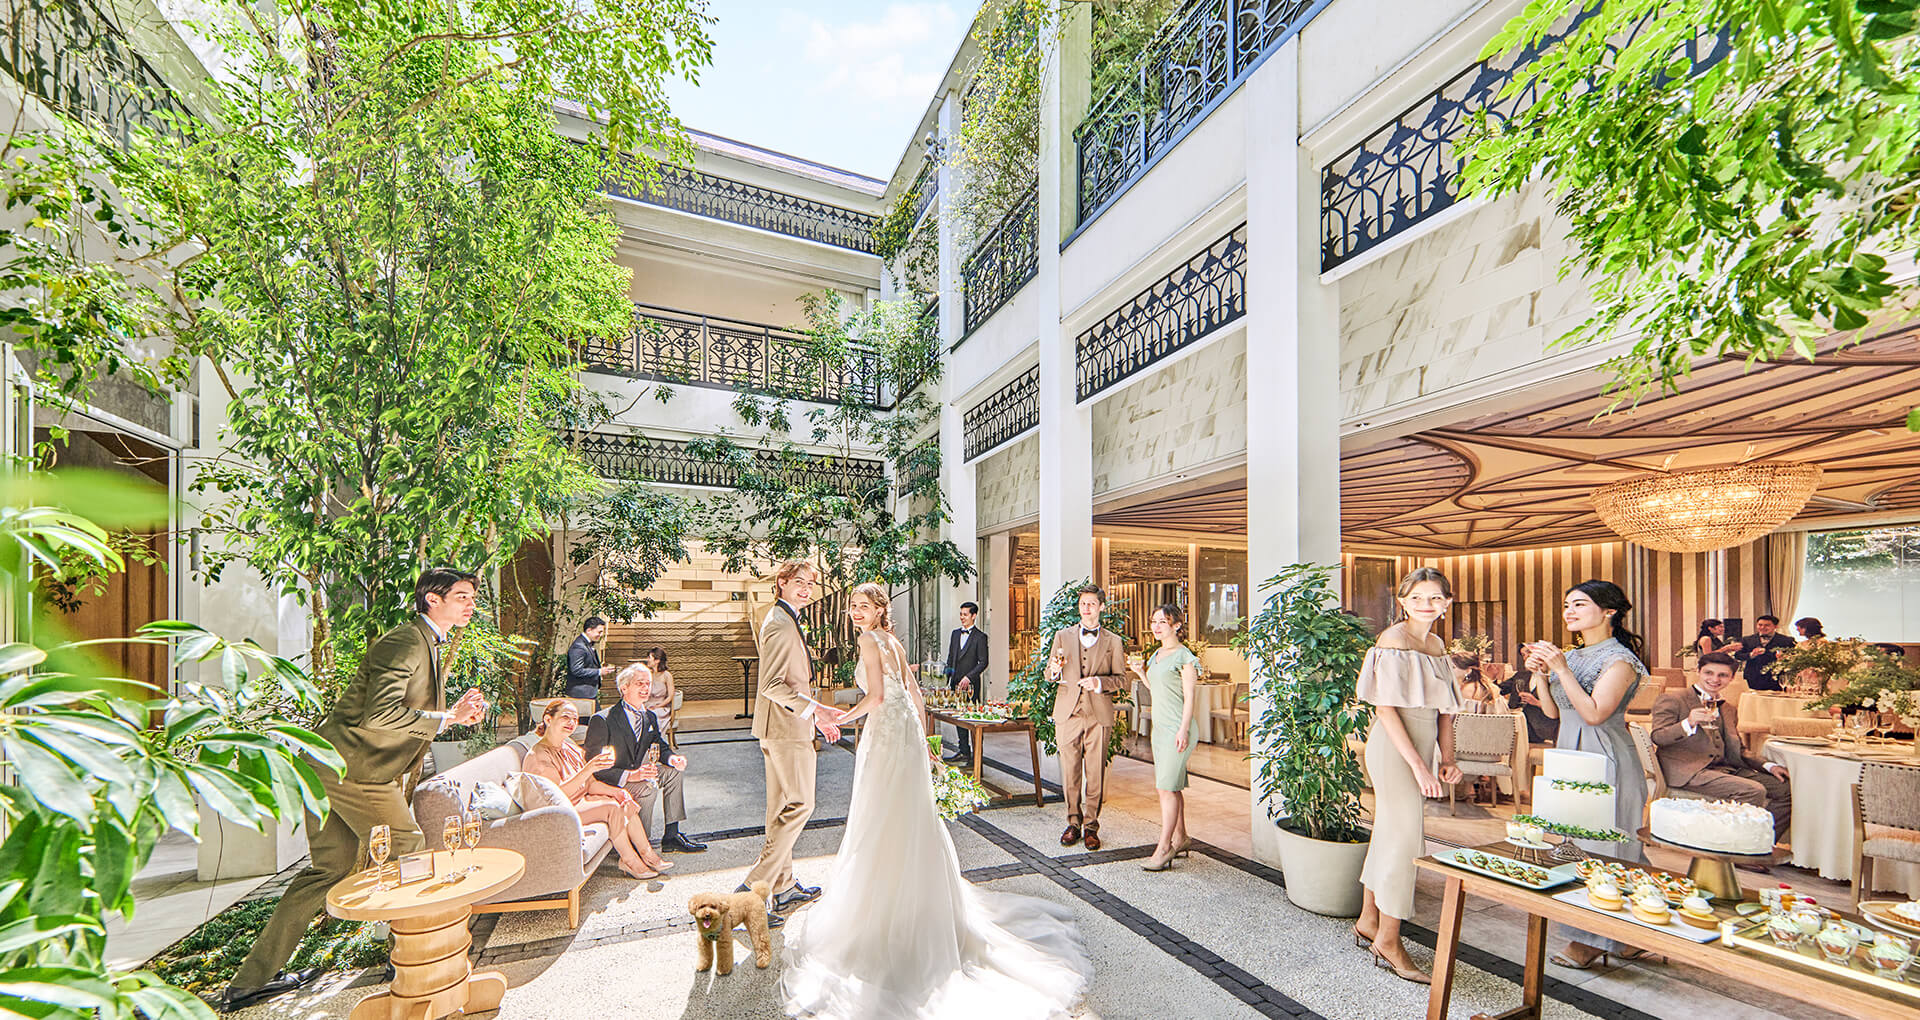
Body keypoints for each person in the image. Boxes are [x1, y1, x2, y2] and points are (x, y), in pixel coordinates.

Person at [780, 583, 1090, 1019]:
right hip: (904, 732)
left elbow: (877, 697)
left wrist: (836, 719)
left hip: (886, 736)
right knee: (909, 812)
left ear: (879, 610)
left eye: (863, 606)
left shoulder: (870, 641)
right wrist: (926, 742)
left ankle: (886, 907)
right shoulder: (892, 641)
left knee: (881, 814)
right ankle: (921, 900)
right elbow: (914, 695)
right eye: (852, 606)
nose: (855, 612)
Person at [222, 569, 490, 1010]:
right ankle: (411, 960)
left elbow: (400, 714)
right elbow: (380, 715)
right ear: (432, 599)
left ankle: (249, 982)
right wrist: (448, 718)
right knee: (408, 845)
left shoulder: (424, 642)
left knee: (329, 871)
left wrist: (452, 715)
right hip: (353, 770)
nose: (471, 604)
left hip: (329, 766)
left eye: (471, 597)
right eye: (461, 596)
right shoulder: (407, 641)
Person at [1523, 579, 1656, 970]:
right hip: (1569, 753)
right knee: (1576, 845)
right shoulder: (1572, 655)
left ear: (1609, 611)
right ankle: (1632, 933)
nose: (1569, 611)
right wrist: (1542, 675)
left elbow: (1596, 714)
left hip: (1605, 756)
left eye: (1579, 604)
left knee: (1605, 847)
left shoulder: (1620, 660)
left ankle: (1592, 939)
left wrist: (1561, 669)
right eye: (1567, 604)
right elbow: (1553, 712)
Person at [1354, 567, 1464, 985]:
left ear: (1447, 602)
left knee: (1389, 833)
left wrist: (1446, 757)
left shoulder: (1437, 645)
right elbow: (1385, 709)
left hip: (1422, 743)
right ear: (1402, 601)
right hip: (1393, 746)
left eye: (1435, 597)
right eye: (1416, 597)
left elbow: (1445, 712)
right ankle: (1388, 939)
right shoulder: (1393, 640)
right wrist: (1419, 766)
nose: (1426, 605)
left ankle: (1369, 920)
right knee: (1405, 840)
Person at [744, 561, 844, 929]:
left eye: (811, 584)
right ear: (782, 582)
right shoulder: (780, 623)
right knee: (802, 804)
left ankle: (783, 887)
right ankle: (752, 890)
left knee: (780, 811)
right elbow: (772, 685)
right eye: (799, 582)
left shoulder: (784, 618)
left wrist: (813, 714)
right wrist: (816, 710)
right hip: (786, 729)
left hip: (781, 727)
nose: (806, 589)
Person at [1649, 652, 1791, 843]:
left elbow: (1738, 749)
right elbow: (1658, 737)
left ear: (1731, 678)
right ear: (1698, 671)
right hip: (1688, 770)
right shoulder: (1673, 699)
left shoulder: (1728, 708)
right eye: (1709, 673)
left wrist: (1769, 766)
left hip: (1724, 768)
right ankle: (1733, 846)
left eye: (1722, 675)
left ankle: (1762, 842)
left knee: (1787, 790)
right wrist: (1688, 723)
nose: (1715, 679)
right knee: (1753, 790)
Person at [525, 700, 672, 878]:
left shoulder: (569, 747)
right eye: (565, 717)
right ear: (548, 719)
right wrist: (589, 769)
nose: (571, 722)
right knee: (612, 808)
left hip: (581, 800)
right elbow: (558, 795)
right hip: (561, 810)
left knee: (622, 800)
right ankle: (629, 860)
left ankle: (648, 854)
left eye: (575, 719)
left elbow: (591, 784)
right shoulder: (539, 755)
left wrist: (618, 792)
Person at [584, 663, 706, 854]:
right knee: (648, 787)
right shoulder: (603, 719)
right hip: (612, 780)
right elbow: (593, 766)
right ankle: (641, 844)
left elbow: (659, 745)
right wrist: (631, 775)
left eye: (648, 683)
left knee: (673, 772)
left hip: (637, 773)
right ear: (624, 687)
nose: (645, 688)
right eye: (639, 683)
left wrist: (672, 759)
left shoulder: (649, 716)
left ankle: (671, 836)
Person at [1047, 584, 1127, 852]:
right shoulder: (1062, 636)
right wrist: (1054, 670)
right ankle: (1073, 822)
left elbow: (1122, 679)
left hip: (1098, 715)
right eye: (1083, 603)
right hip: (1068, 713)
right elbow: (1050, 674)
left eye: (1092, 603)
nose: (1086, 608)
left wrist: (1099, 682)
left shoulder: (1113, 641)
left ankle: (1091, 826)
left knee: (1095, 773)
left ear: (1101, 607)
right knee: (1070, 772)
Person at [1128, 604, 1199, 872]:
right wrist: (1140, 673)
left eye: (1162, 621)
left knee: (1165, 788)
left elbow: (1190, 698)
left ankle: (1164, 847)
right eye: (1153, 621)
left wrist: (1183, 730)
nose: (1156, 626)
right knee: (1172, 785)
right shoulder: (1157, 654)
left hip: (1177, 728)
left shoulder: (1185, 657)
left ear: (1176, 625)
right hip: (1160, 729)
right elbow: (1157, 690)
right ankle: (1181, 838)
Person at [941, 601, 990, 763]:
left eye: (965, 614)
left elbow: (983, 662)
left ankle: (977, 756)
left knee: (973, 719)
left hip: (971, 685)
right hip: (955, 683)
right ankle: (963, 751)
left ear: (974, 616)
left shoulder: (980, 637)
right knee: (958, 718)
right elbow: (951, 658)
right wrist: (946, 680)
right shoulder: (955, 634)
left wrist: (969, 677)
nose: (962, 617)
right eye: (961, 614)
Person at [1498, 663, 1558, 745]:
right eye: (1525, 656)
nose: (1527, 657)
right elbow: (1499, 690)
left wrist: (1536, 702)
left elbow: (1560, 708)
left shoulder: (1554, 677)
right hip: (1516, 728)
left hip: (1543, 731)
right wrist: (1492, 678)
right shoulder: (1520, 675)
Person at [1737, 615, 1795, 692]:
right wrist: (1751, 654)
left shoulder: (1787, 640)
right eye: (1760, 625)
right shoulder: (1747, 639)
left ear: (1775, 626)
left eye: (1767, 625)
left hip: (1775, 679)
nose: (1762, 627)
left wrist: (1783, 657)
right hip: (1753, 677)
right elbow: (1738, 655)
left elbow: (1794, 658)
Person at [565, 616, 614, 700]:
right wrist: (599, 671)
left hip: (586, 693)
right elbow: (577, 670)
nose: (601, 635)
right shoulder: (579, 647)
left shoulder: (586, 644)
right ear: (589, 630)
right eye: (599, 632)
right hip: (580, 694)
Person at [642, 647, 677, 738]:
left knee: (651, 715)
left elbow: (670, 697)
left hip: (661, 707)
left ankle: (654, 740)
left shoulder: (667, 675)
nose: (647, 660)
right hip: (648, 704)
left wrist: (658, 706)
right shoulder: (649, 674)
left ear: (657, 660)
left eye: (649, 657)